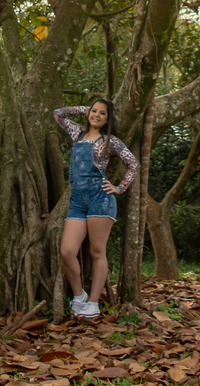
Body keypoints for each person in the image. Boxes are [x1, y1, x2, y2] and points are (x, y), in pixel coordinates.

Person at [54, 98, 140, 319]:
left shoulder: (109, 141)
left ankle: (93, 303)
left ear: (107, 119)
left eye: (103, 113)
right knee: (67, 251)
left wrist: (119, 188)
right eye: (94, 111)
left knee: (97, 252)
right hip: (76, 200)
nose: (97, 115)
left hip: (100, 198)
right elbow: (58, 113)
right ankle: (79, 295)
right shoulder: (77, 134)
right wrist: (85, 109)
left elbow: (133, 163)